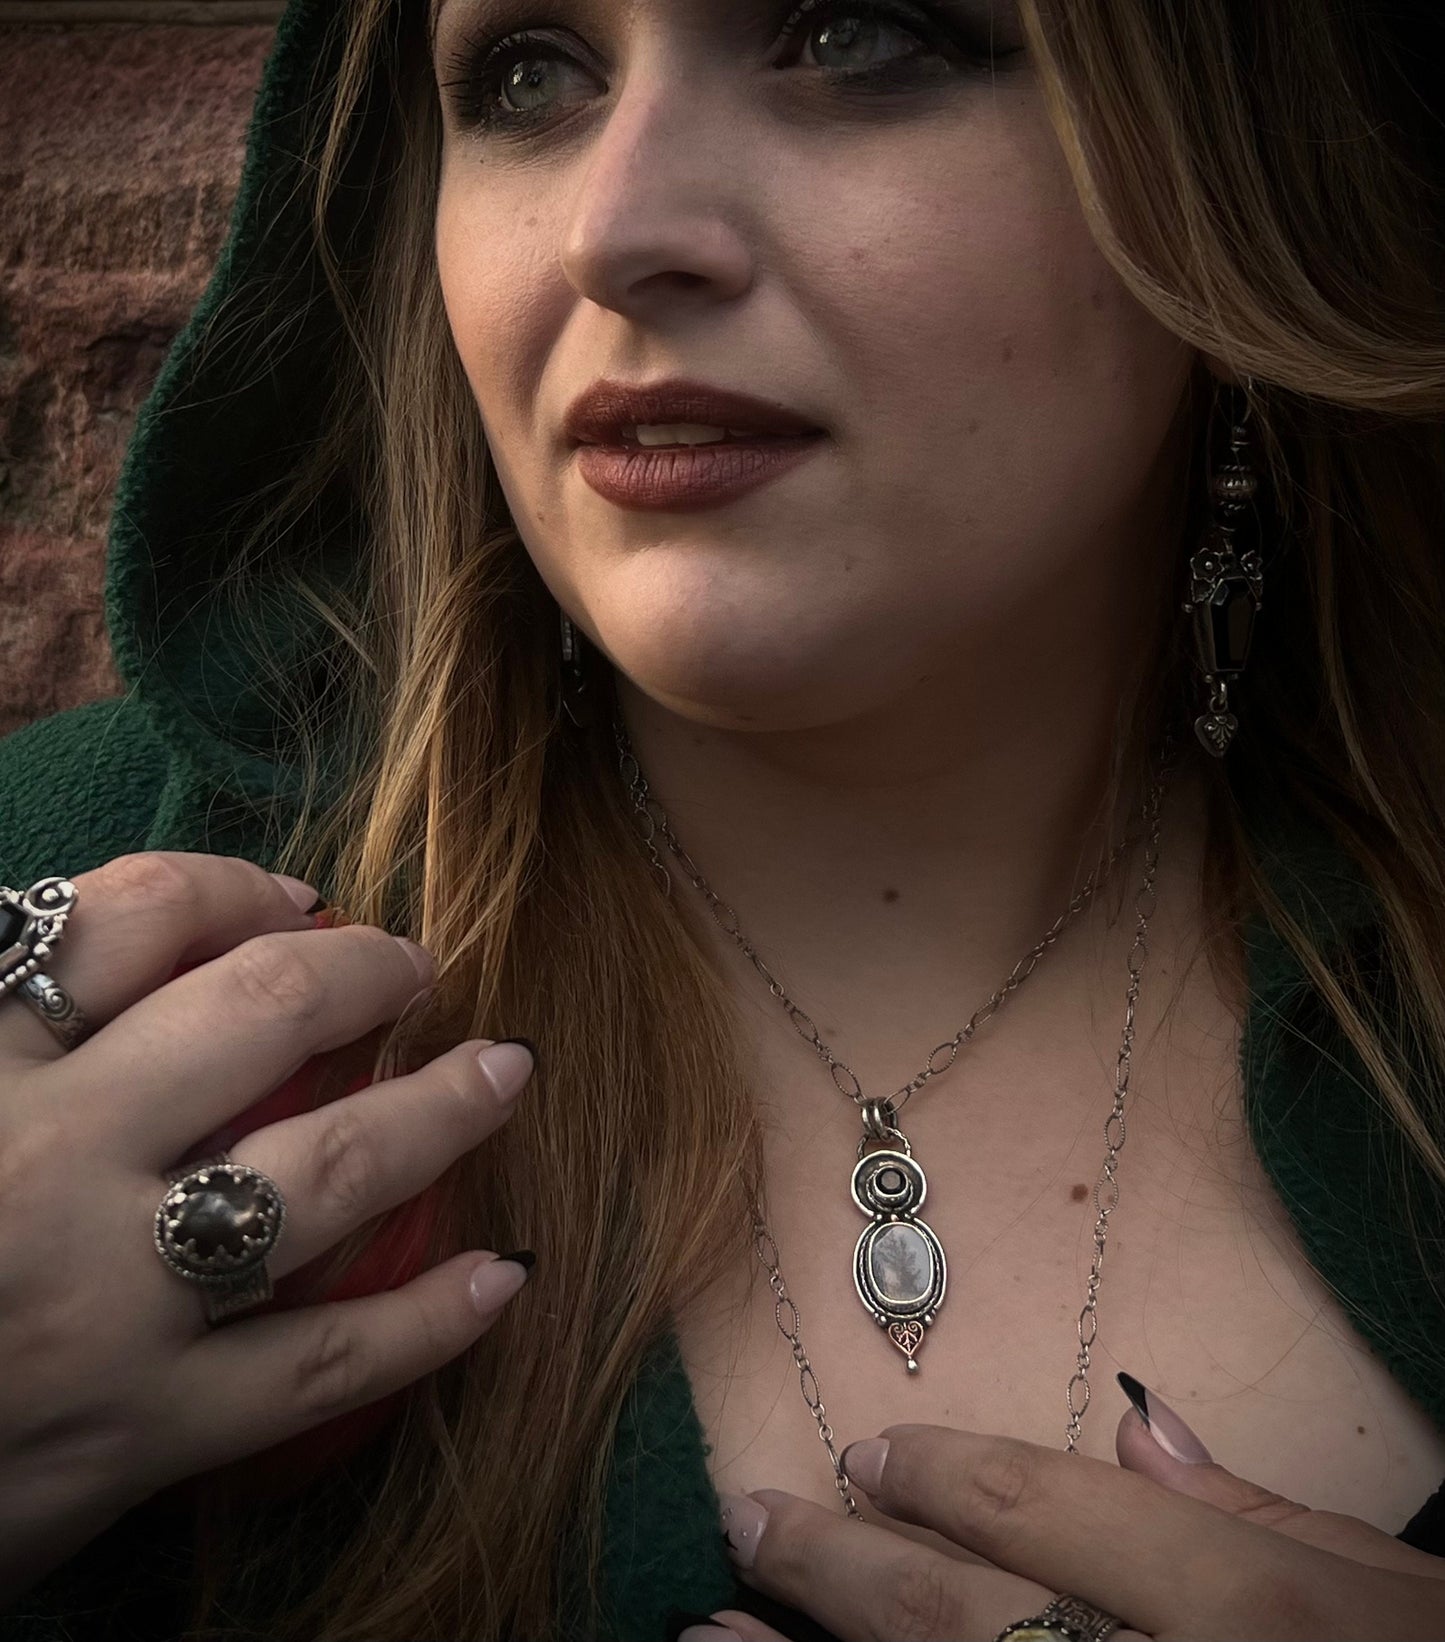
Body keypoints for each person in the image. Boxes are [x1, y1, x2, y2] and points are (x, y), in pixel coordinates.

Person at [1, 0, 1443, 1638]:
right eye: (527, 75)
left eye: (853, 39)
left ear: (1241, 172)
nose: (616, 234)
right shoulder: (63, 934)